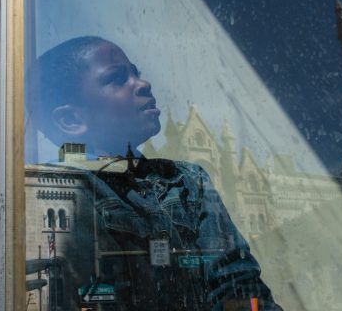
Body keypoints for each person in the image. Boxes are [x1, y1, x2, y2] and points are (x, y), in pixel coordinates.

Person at [28, 36, 281, 310]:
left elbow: (237, 285)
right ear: (71, 120)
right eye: (117, 78)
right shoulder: (47, 192)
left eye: (136, 72)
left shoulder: (185, 181)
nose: (142, 83)